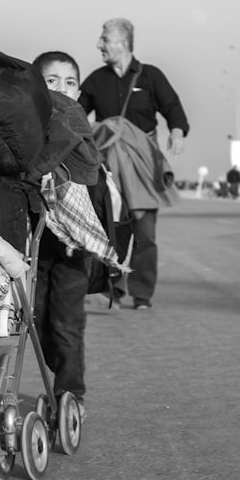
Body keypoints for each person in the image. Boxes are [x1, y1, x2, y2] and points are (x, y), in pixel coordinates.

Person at [79, 18, 189, 310]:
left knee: (144, 232)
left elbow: (173, 107)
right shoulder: (95, 80)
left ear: (123, 42)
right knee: (111, 227)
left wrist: (177, 131)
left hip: (142, 167)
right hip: (109, 167)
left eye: (104, 38)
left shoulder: (150, 76)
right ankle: (111, 285)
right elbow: (77, 114)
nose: (99, 44)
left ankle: (142, 292)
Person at [30, 50, 102, 422]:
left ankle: (72, 392)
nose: (62, 89)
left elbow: (91, 174)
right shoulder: (26, 126)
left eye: (70, 82)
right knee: (37, 317)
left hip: (73, 245)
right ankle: (59, 369)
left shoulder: (78, 128)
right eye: (52, 81)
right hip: (37, 245)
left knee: (67, 321)